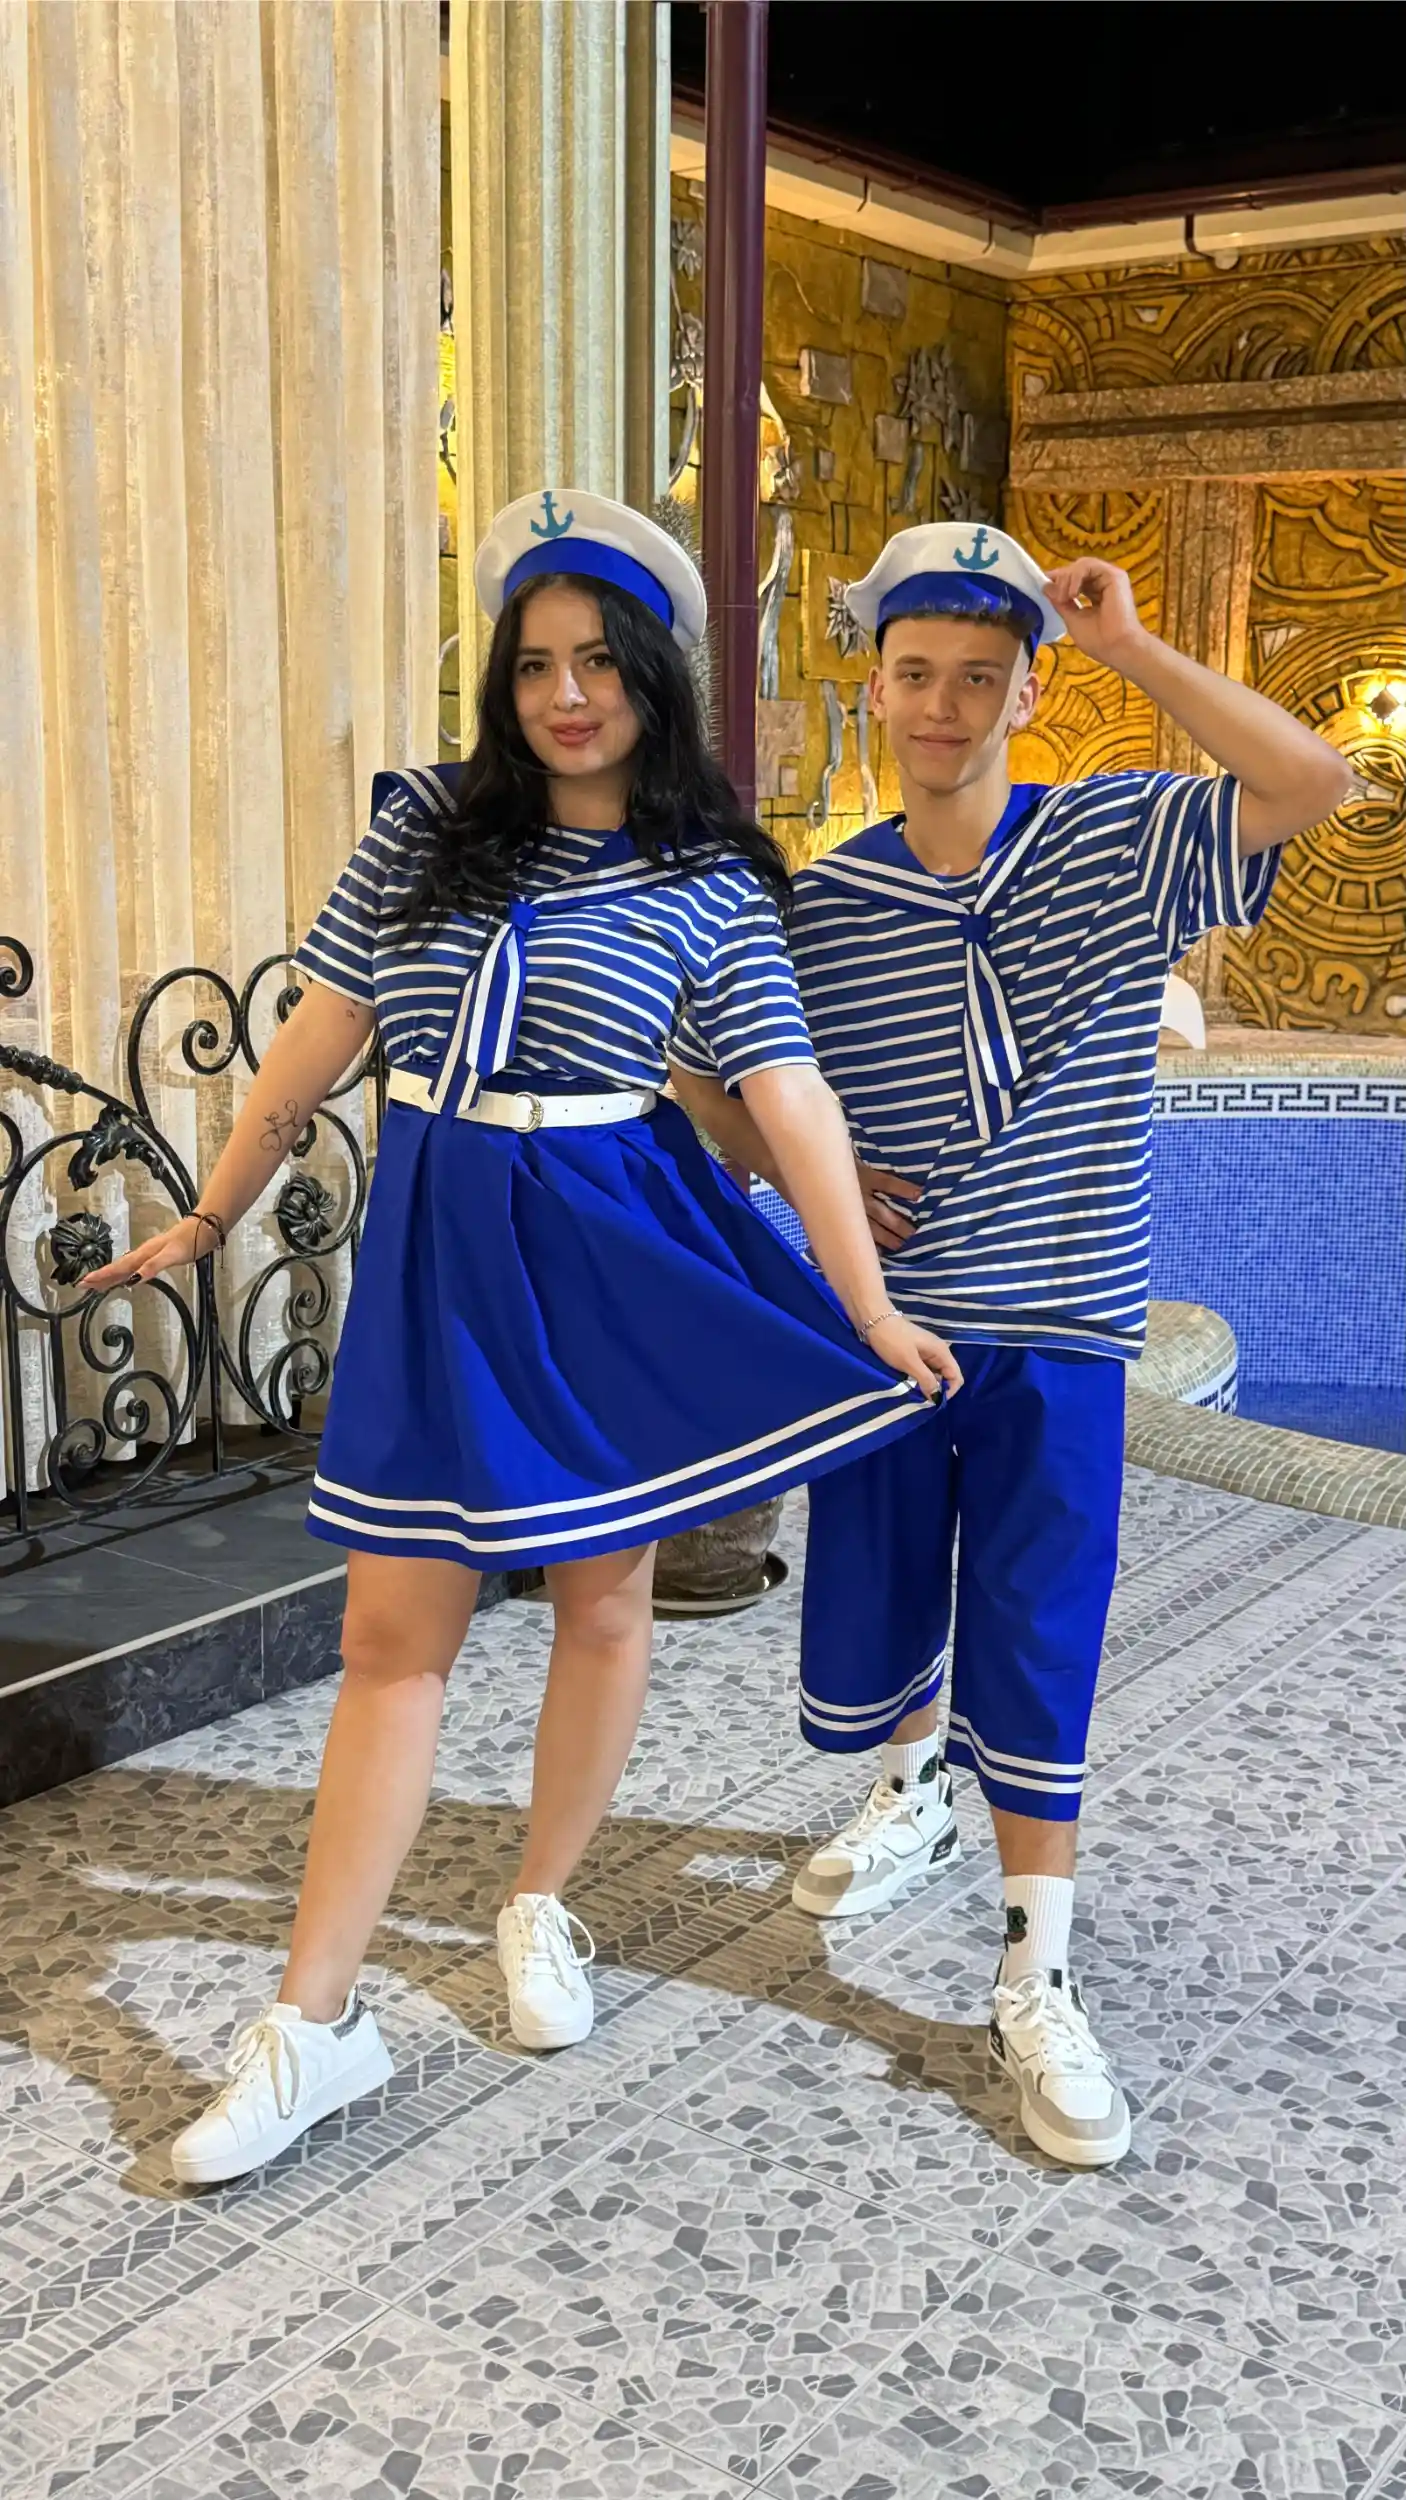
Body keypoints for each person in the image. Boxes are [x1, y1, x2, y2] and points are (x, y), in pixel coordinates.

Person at [85, 490, 959, 2186]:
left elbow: (785, 1094)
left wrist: (862, 1298)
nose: (566, 694)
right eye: (536, 663)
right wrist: (209, 1210)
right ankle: (313, 2025)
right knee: (389, 1634)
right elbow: (317, 1042)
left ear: (652, 675)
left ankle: (540, 1901)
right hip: (441, 1238)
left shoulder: (707, 877)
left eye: (598, 662)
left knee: (603, 1597)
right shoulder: (425, 825)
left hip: (605, 1239)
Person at [669, 520, 1354, 2169]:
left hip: (1061, 1326)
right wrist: (816, 1177)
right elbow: (702, 1068)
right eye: (915, 672)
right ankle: (911, 1795)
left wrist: (1125, 643)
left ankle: (1034, 1966)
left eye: (980, 677)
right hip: (895, 1329)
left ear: (1024, 693)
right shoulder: (826, 900)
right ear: (873, 684)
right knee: (885, 1598)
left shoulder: (1116, 839)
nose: (942, 705)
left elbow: (1311, 781)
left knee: (1039, 1629)